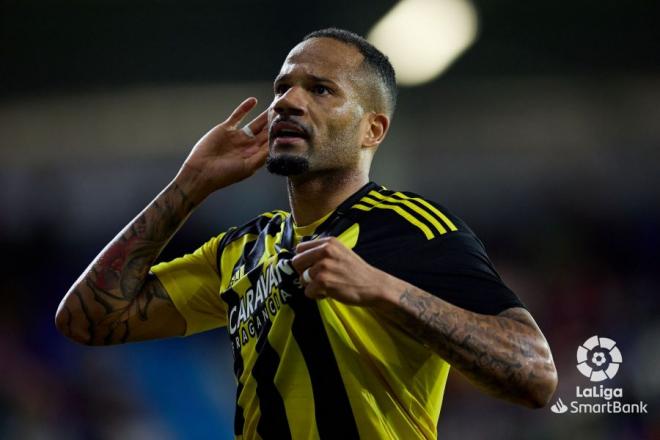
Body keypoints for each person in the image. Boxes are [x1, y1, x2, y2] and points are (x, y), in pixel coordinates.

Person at [56, 28, 558, 439]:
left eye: (320, 90)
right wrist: (189, 185)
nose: (287, 102)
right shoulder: (239, 251)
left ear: (373, 130)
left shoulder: (412, 228)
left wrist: (383, 290)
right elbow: (88, 321)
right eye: (281, 88)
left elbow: (536, 375)